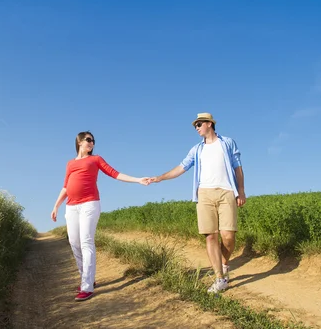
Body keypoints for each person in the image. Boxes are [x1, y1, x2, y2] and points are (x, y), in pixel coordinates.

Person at [149, 112, 246, 293]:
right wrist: (160, 178)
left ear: (209, 123)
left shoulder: (227, 143)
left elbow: (238, 168)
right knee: (210, 236)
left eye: (199, 124)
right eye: (195, 125)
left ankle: (224, 265)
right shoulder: (196, 150)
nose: (196, 127)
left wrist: (241, 191)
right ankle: (219, 278)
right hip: (204, 194)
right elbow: (181, 167)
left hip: (227, 191)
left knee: (228, 236)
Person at [51, 131, 149, 301]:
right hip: (71, 206)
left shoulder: (96, 160)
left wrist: (137, 179)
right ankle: (86, 278)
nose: (92, 143)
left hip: (90, 204)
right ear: (80, 142)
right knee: (74, 242)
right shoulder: (70, 164)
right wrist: (56, 206)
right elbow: (66, 186)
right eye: (88, 140)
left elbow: (114, 173)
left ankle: (87, 286)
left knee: (86, 241)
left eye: (93, 141)